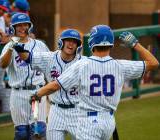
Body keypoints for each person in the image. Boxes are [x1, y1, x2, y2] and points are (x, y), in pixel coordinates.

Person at [30, 25, 159, 140]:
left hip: (88, 122)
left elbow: (56, 85)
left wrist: (38, 93)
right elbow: (154, 63)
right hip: (108, 122)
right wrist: (135, 44)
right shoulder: (120, 66)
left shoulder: (82, 65)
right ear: (111, 43)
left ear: (91, 42)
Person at [15, 29, 84, 139]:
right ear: (61, 42)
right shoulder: (49, 58)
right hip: (56, 111)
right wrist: (17, 47)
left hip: (77, 111)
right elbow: (28, 58)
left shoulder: (83, 62)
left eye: (74, 42)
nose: (71, 44)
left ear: (78, 46)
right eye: (68, 40)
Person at [0, 12, 49, 140]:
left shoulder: (40, 45)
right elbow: (3, 64)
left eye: (24, 25)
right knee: (21, 134)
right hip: (18, 93)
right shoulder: (9, 47)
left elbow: (49, 65)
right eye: (18, 25)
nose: (22, 28)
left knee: (39, 131)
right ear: (13, 28)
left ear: (29, 26)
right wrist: (11, 47)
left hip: (37, 91)